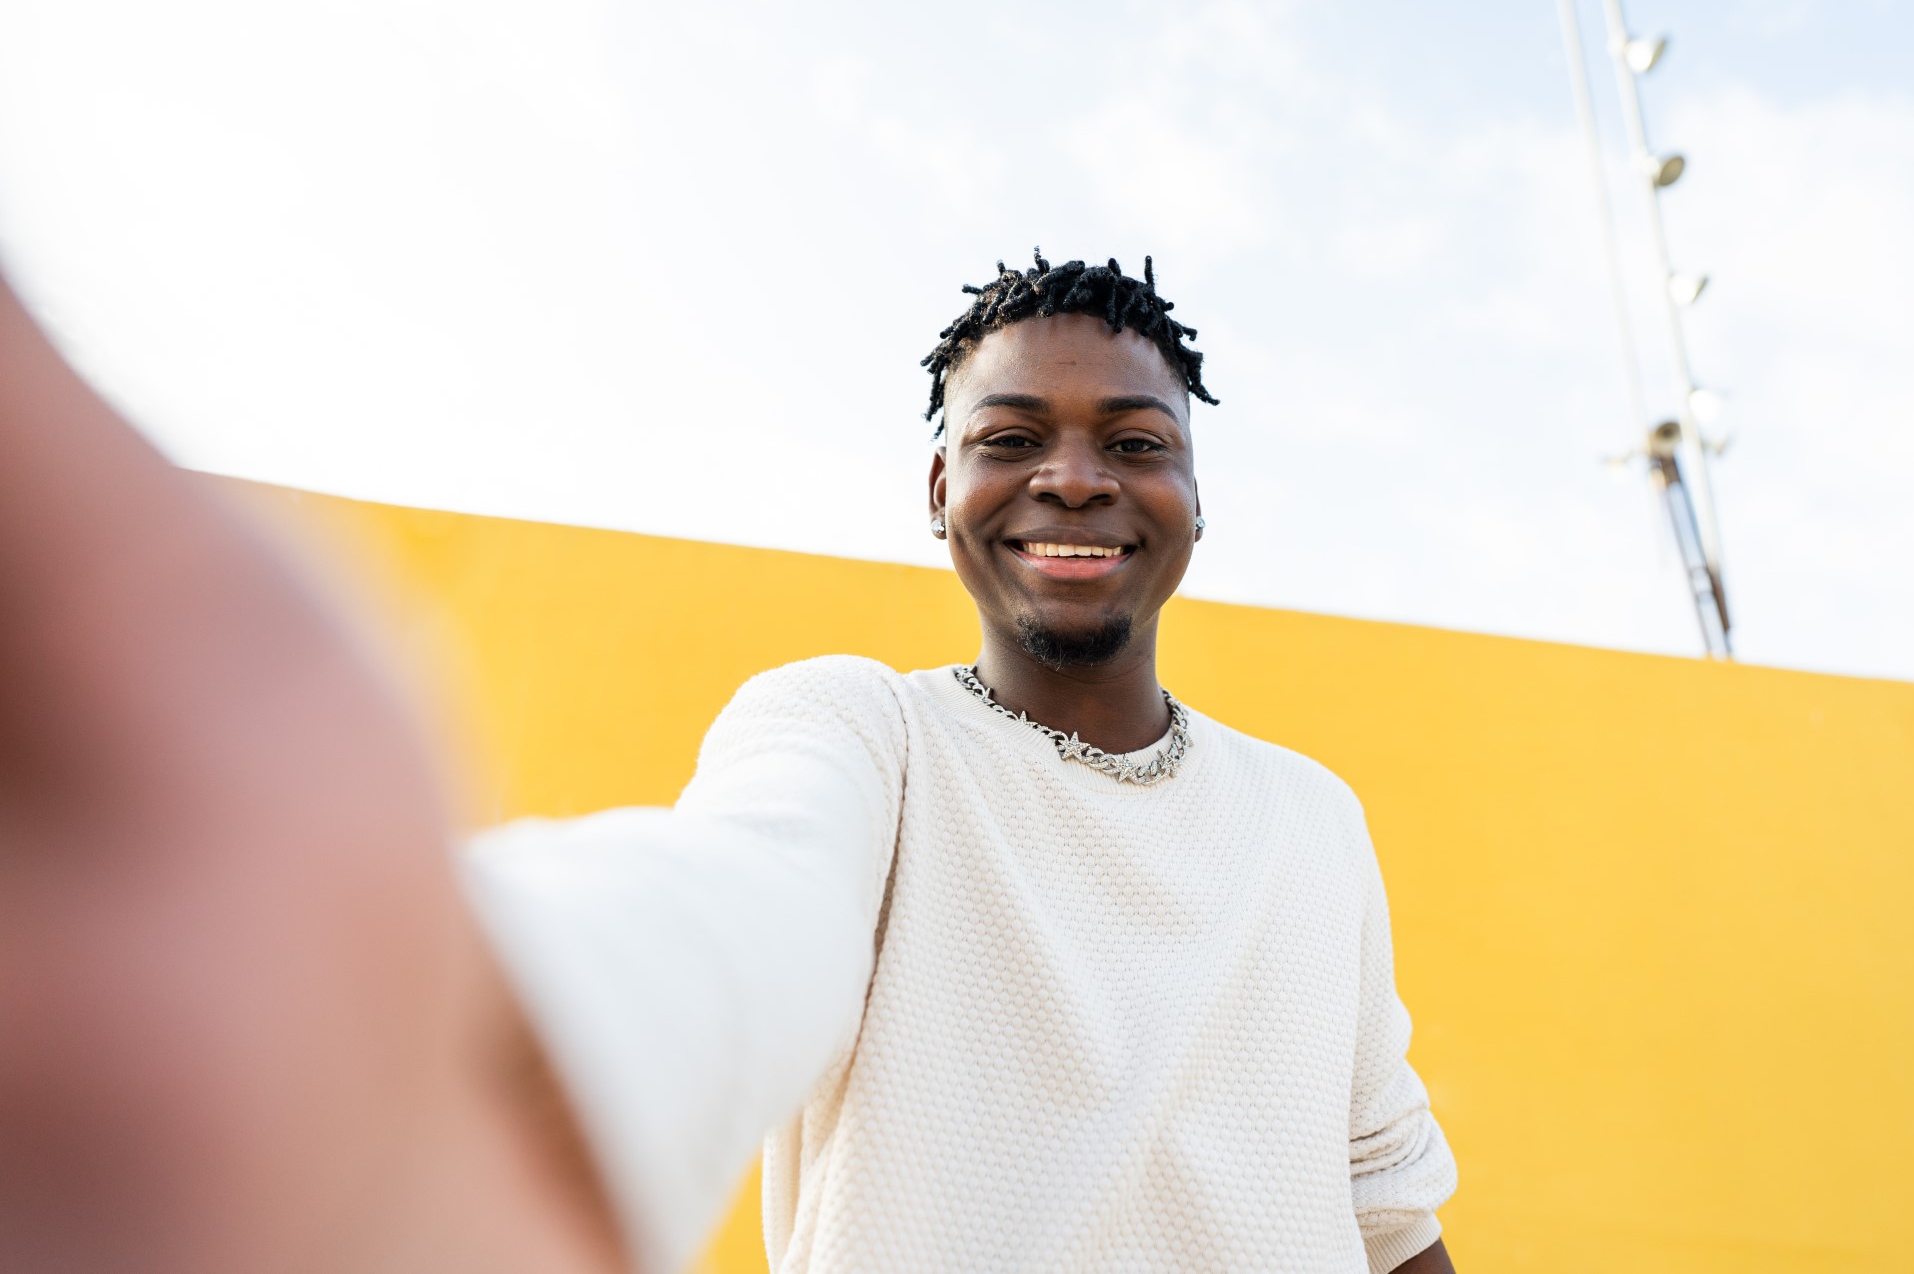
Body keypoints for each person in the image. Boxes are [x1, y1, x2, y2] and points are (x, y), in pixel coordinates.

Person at [0, 252, 1455, 1274]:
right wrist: (460, 1026)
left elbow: (1384, 1195)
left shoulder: (1309, 818)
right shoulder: (860, 734)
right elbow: (752, 897)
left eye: (1134, 441)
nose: (1074, 475)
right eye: (1013, 436)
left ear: (1192, 491)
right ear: (941, 488)